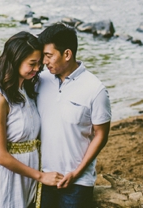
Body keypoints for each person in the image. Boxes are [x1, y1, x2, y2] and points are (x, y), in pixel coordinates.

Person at [0, 31, 64, 208]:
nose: (38, 68)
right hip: (7, 177)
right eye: (32, 63)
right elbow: (0, 155)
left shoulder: (28, 88)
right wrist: (41, 176)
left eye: (39, 63)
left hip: (28, 176)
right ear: (15, 60)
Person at [37, 23, 111, 208]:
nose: (44, 62)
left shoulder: (95, 89)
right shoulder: (40, 81)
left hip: (77, 183)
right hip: (44, 178)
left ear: (67, 54)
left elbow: (101, 135)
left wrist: (76, 172)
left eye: (49, 56)